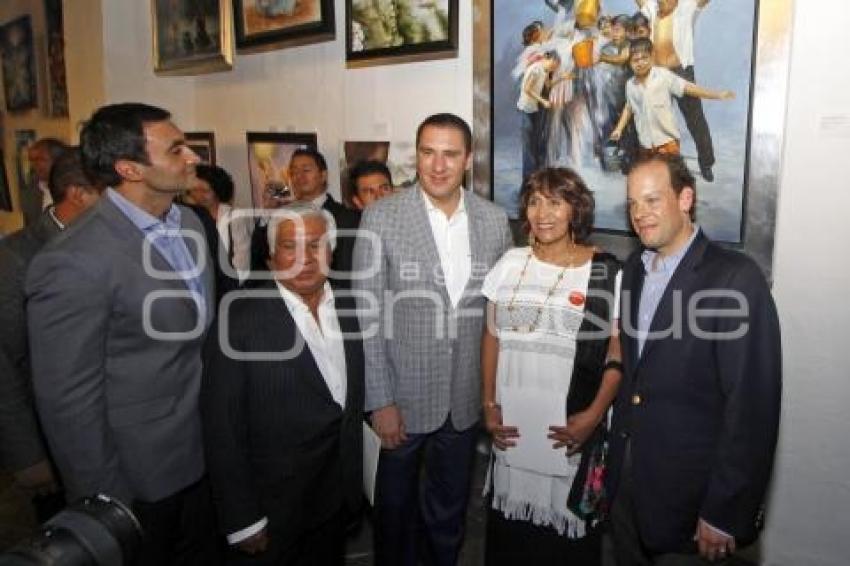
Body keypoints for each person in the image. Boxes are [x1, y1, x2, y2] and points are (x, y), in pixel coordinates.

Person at [25, 103, 221, 565]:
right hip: (137, 481)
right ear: (129, 168)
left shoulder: (189, 223)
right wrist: (105, 504)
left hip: (205, 461)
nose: (192, 157)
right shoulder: (73, 260)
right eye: (176, 149)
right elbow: (68, 400)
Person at [353, 113, 513, 565]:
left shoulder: (494, 221)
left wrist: (491, 395)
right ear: (417, 156)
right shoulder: (381, 216)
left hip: (463, 399)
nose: (438, 165)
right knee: (394, 514)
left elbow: (495, 317)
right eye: (428, 153)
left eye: (450, 154)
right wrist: (379, 400)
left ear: (468, 159)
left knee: (449, 512)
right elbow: (367, 314)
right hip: (400, 399)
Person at [607, 153, 782, 564]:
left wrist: (725, 512)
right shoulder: (634, 269)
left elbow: (753, 406)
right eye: (633, 203)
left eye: (652, 200)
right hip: (627, 490)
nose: (640, 214)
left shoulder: (736, 278)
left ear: (685, 198)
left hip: (692, 501)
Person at [203, 202, 364, 565]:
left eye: (315, 245)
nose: (304, 258)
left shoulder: (352, 306)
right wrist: (242, 519)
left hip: (336, 499)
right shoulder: (238, 320)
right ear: (273, 255)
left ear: (332, 251)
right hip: (273, 512)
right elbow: (221, 429)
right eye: (291, 246)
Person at [480, 167, 622, 565]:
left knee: (565, 543)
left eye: (555, 202)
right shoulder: (509, 262)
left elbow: (617, 351)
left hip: (571, 426)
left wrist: (593, 417)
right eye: (534, 200)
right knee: (513, 539)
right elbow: (491, 335)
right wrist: (488, 405)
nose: (543, 212)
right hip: (514, 424)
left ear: (575, 210)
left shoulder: (606, 271)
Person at [0, 147, 102, 524]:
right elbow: (5, 363)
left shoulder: (113, 243)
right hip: (49, 438)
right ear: (78, 193)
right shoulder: (17, 258)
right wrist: (27, 455)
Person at [610, 38, 733, 159]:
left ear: (652, 57)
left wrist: (717, 95)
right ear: (629, 63)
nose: (640, 63)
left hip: (667, 142)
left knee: (670, 176)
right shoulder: (630, 84)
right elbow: (629, 107)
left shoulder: (663, 76)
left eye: (644, 58)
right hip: (645, 143)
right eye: (635, 60)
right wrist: (619, 129)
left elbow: (688, 88)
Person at [636, 0, 716, 180]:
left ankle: (706, 162)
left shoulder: (686, 7)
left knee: (695, 120)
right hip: (658, 74)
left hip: (681, 71)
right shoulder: (652, 8)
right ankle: (658, 162)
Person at [188, 163, 253, 280]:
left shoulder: (234, 218)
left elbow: (242, 263)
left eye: (205, 191)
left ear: (218, 191)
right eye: (195, 190)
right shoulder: (189, 216)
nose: (199, 196)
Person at [518, 50, 562, 183]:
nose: (554, 68)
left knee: (536, 142)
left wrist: (563, 78)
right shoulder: (535, 69)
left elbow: (548, 86)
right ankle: (528, 178)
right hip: (526, 109)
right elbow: (527, 88)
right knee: (529, 145)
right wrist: (543, 101)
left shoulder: (544, 71)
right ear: (550, 59)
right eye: (554, 65)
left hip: (534, 109)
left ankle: (536, 176)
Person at [21, 138, 68, 226]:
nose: (34, 165)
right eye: (31, 160)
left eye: (41, 159)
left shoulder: (72, 190)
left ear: (59, 160)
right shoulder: (31, 189)